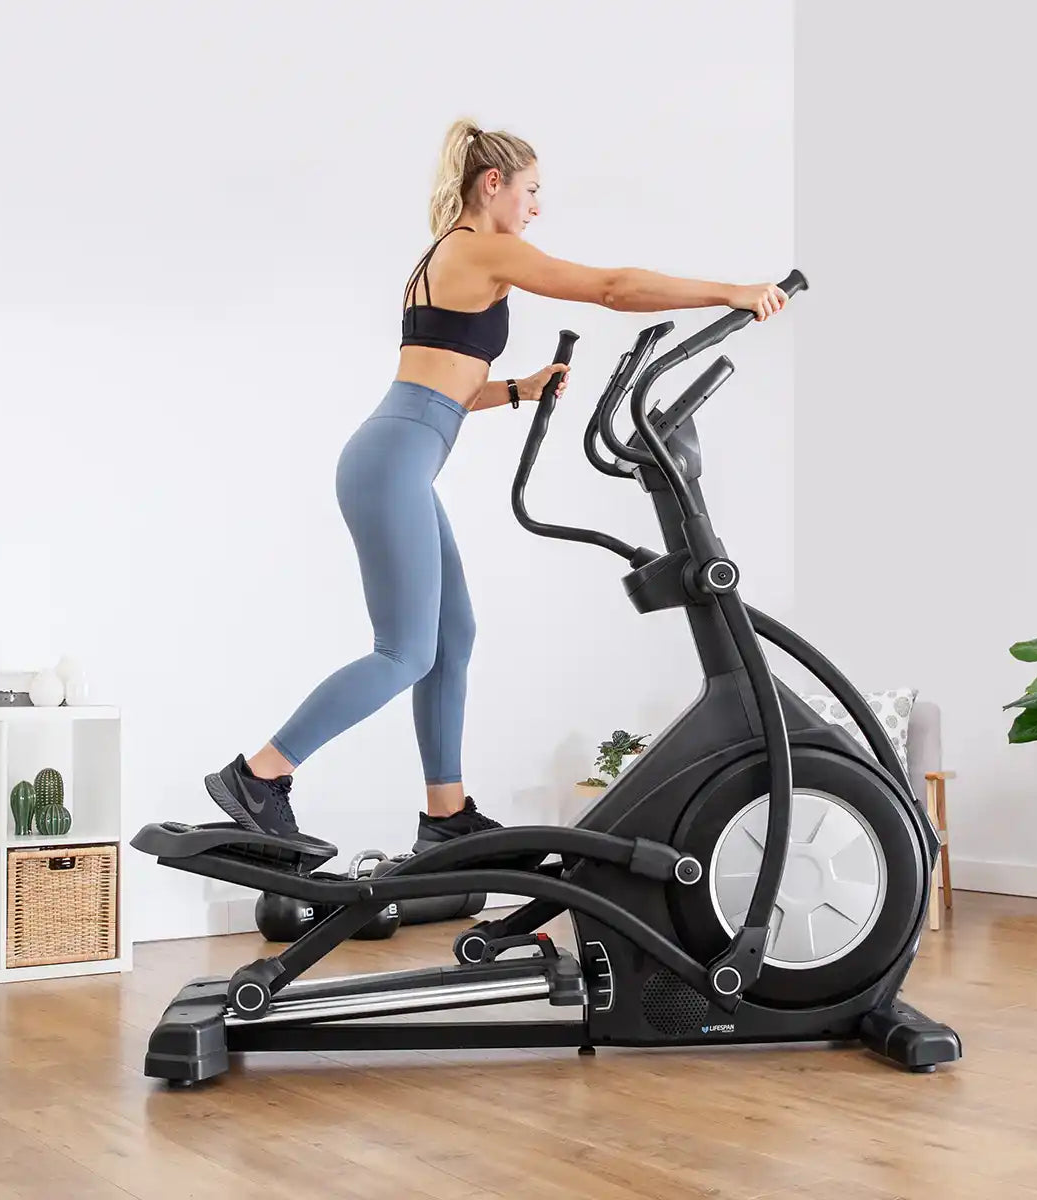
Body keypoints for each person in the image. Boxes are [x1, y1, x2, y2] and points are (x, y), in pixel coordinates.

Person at [205, 116, 789, 845]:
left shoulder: (444, 256)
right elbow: (609, 287)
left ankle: (445, 815)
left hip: (396, 453)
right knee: (404, 652)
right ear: (494, 184)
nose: (537, 207)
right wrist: (732, 291)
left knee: (453, 637)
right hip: (392, 462)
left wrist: (519, 388)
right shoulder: (483, 249)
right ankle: (259, 776)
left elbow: (440, 385)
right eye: (532, 190)